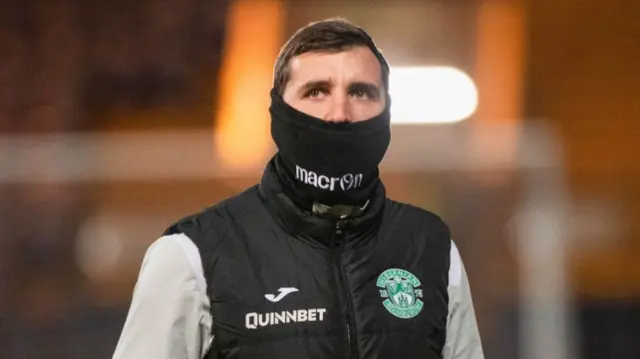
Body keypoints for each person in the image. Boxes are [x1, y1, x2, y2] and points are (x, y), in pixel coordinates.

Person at [112, 18, 484, 359]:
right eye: (316, 92)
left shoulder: (431, 248)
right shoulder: (192, 256)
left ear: (386, 110)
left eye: (361, 92)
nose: (339, 113)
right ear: (278, 111)